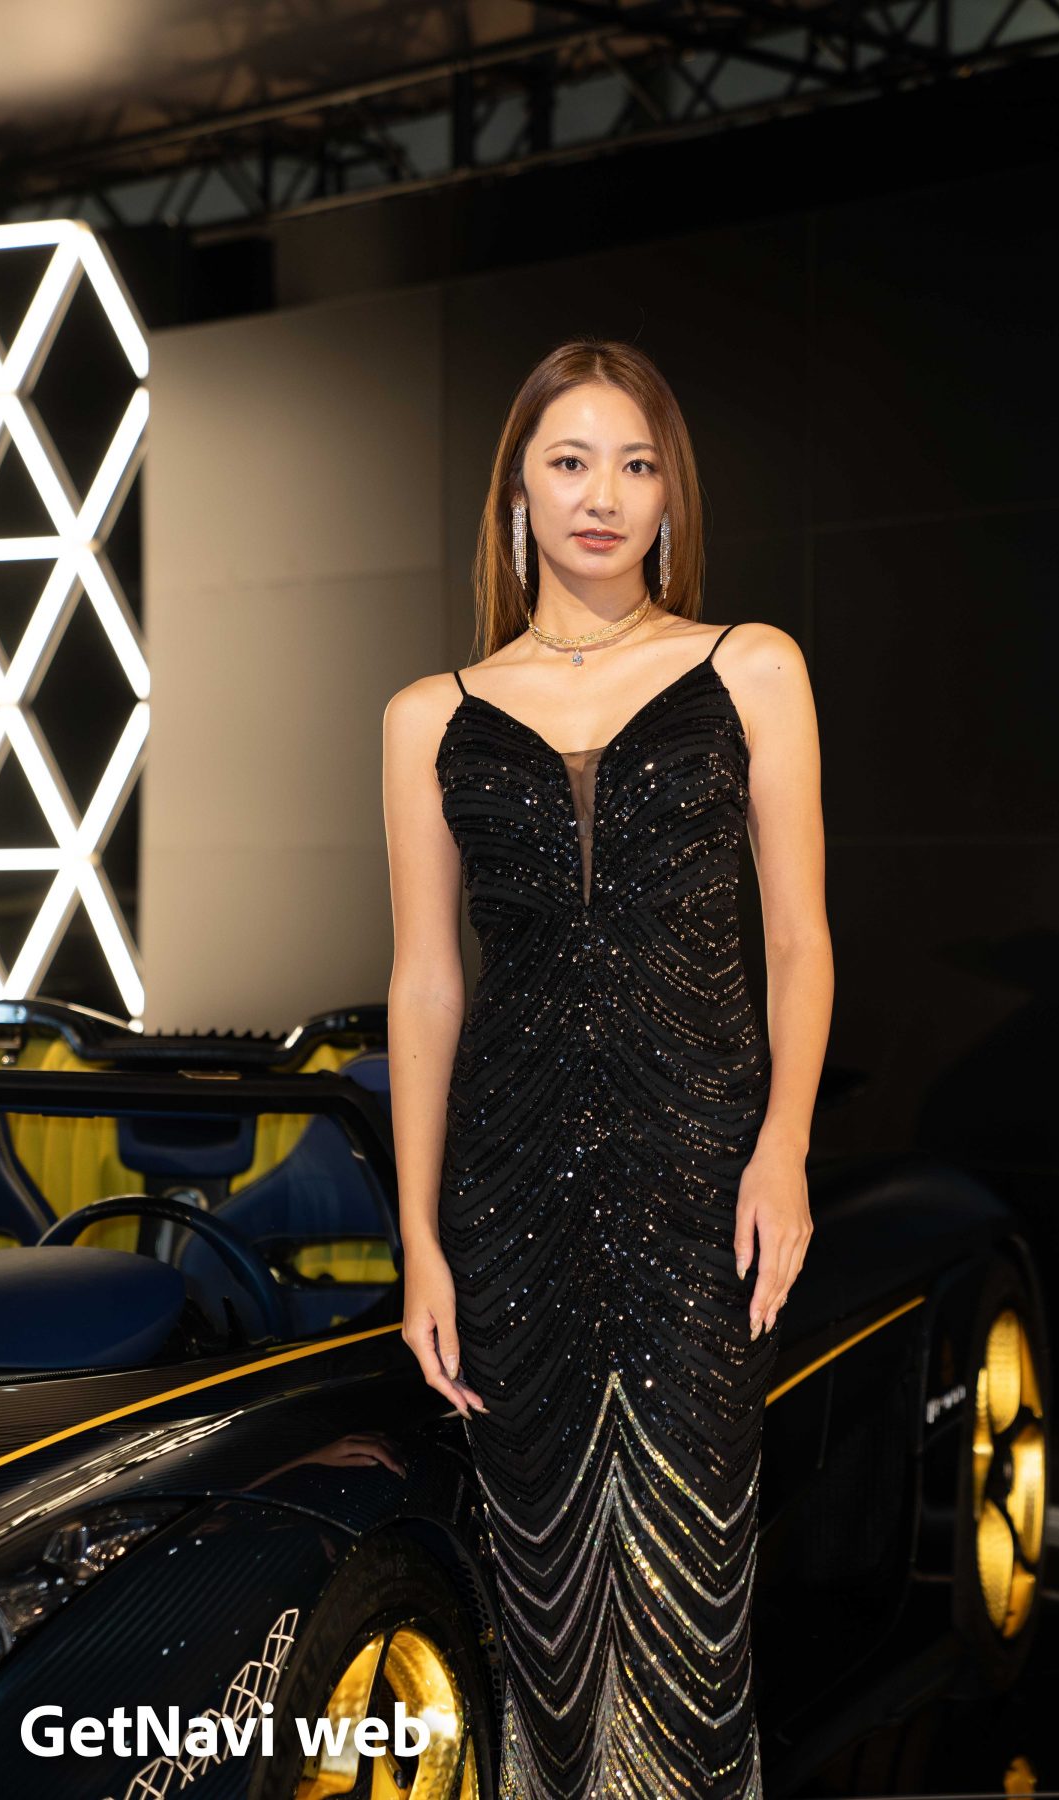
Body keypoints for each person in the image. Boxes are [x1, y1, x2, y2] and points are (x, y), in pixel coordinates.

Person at [382, 338, 833, 1798]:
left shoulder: (750, 667)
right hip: (511, 1210)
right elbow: (426, 984)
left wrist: (783, 1148)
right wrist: (419, 1239)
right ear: (518, 488)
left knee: (694, 1614)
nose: (604, 495)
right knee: (544, 1614)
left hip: (701, 1192)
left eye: (636, 465)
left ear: (669, 493)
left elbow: (800, 942)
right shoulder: (428, 715)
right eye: (570, 462)